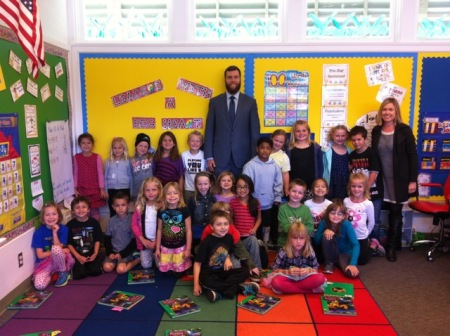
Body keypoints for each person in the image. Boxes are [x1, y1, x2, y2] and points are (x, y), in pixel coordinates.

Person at [371, 97, 418, 262]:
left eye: (390, 109)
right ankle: (389, 241)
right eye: (384, 109)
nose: (387, 112)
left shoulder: (404, 130)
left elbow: (413, 156)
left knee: (395, 211)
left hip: (399, 179)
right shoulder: (376, 130)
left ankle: (391, 246)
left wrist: (413, 180)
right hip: (382, 178)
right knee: (383, 209)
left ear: (396, 111)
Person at [204, 65, 260, 178]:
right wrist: (209, 156)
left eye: (235, 77)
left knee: (242, 192)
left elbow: (255, 132)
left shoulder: (250, 103)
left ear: (240, 79)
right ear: (225, 79)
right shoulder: (215, 102)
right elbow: (209, 130)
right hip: (219, 159)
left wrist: (254, 157)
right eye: (229, 77)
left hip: (244, 158)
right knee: (220, 192)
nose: (232, 80)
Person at [193, 210, 260, 303]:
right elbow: (197, 263)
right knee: (207, 281)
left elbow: (227, 251)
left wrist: (227, 258)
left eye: (225, 224)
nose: (223, 227)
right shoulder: (207, 242)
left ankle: (217, 291)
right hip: (209, 274)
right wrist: (196, 284)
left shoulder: (229, 237)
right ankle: (238, 288)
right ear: (212, 227)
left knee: (244, 271)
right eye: (219, 224)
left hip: (222, 272)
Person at [201, 201, 260, 281]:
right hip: (218, 254)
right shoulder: (208, 230)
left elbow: (239, 248)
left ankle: (255, 269)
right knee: (235, 266)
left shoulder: (231, 228)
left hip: (232, 249)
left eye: (226, 212)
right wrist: (225, 258)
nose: (223, 226)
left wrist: (251, 265)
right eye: (221, 213)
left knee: (253, 239)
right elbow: (204, 250)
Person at [264, 221, 327, 294]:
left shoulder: (310, 251)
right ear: (289, 239)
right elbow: (275, 270)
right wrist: (287, 272)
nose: (298, 242)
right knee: (276, 282)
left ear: (306, 239)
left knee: (320, 278)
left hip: (305, 278)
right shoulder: (283, 252)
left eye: (301, 238)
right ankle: (309, 290)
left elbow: (315, 269)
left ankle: (290, 289)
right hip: (288, 277)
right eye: (295, 238)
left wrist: (308, 270)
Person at [243, 137, 283, 245]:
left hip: (269, 203)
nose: (265, 151)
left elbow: (278, 183)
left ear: (271, 150)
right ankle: (257, 245)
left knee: (267, 225)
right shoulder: (250, 165)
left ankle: (266, 244)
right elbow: (245, 184)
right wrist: (249, 199)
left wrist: (277, 196)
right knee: (255, 226)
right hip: (254, 204)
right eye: (262, 148)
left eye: (268, 148)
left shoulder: (274, 166)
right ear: (257, 149)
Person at [349, 125, 383, 241]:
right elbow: (351, 173)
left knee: (375, 220)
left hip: (373, 193)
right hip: (358, 194)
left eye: (359, 139)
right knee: (359, 219)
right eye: (353, 140)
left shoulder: (371, 153)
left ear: (365, 139)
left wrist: (365, 190)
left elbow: (373, 173)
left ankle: (375, 242)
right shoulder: (352, 155)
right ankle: (363, 241)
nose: (356, 142)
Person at [31, 202, 75, 290]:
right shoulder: (39, 233)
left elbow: (58, 248)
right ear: (43, 217)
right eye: (47, 215)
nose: (51, 217)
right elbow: (40, 255)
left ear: (59, 216)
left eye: (54, 214)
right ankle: (53, 275)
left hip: (60, 261)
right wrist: (62, 250)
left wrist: (55, 233)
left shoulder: (63, 229)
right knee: (39, 285)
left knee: (56, 249)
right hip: (45, 263)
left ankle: (63, 272)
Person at [314, 200, 360, 279]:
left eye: (339, 214)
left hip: (344, 254)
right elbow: (316, 242)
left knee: (352, 274)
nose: (336, 216)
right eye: (332, 213)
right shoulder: (324, 223)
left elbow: (355, 244)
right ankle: (329, 263)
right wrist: (324, 232)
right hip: (329, 254)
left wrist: (353, 264)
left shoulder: (346, 225)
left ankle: (373, 247)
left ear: (343, 216)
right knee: (327, 235)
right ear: (327, 214)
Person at [155, 182, 192, 277]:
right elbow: (159, 230)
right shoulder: (162, 211)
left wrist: (188, 249)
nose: (172, 196)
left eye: (175, 193)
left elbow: (188, 231)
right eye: (169, 193)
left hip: (180, 247)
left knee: (177, 275)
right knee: (165, 273)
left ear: (180, 195)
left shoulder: (184, 210)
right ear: (164, 196)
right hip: (165, 247)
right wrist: (157, 249)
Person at [230, 174, 263, 270]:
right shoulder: (233, 202)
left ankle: (257, 270)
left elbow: (259, 218)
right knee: (236, 266)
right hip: (238, 239)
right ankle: (245, 265)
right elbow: (230, 219)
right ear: (235, 188)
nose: (242, 190)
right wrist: (234, 230)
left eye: (245, 187)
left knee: (253, 240)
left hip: (249, 236)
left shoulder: (255, 202)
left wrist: (255, 228)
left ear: (250, 187)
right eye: (239, 187)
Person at [103, 192, 140, 274]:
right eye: (117, 205)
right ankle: (116, 262)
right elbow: (107, 239)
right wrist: (110, 253)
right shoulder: (111, 220)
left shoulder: (132, 220)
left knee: (120, 270)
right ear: (113, 207)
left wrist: (122, 254)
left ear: (128, 205)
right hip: (113, 252)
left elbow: (134, 242)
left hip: (126, 252)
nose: (120, 208)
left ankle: (137, 260)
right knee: (106, 268)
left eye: (123, 205)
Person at [67, 196, 103, 280]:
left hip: (91, 254)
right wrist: (78, 256)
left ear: (89, 209)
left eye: (84, 207)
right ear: (73, 211)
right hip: (77, 254)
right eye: (77, 207)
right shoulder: (70, 225)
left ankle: (90, 266)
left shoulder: (94, 222)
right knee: (79, 275)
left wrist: (95, 253)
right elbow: (69, 244)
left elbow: (97, 240)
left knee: (96, 272)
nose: (81, 210)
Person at [73, 133, 107, 220]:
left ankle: (95, 228)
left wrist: (102, 189)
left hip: (95, 190)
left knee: (95, 213)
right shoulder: (76, 157)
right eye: (83, 143)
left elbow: (100, 174)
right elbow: (75, 173)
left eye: (88, 143)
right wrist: (75, 188)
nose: (86, 145)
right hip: (82, 190)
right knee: (83, 211)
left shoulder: (97, 157)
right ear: (79, 145)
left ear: (92, 144)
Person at [131, 177, 163, 269]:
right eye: (147, 190)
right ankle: (143, 254)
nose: (151, 193)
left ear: (159, 191)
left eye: (154, 190)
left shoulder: (162, 206)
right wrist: (143, 240)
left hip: (159, 242)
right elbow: (134, 225)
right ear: (143, 191)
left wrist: (156, 241)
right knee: (146, 266)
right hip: (145, 242)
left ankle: (155, 254)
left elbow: (165, 226)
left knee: (160, 266)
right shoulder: (140, 207)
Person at [343, 173, 375, 265]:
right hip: (348, 235)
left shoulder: (368, 204)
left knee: (361, 262)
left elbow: (372, 222)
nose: (356, 189)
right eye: (353, 186)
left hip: (361, 236)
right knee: (348, 258)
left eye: (359, 186)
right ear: (350, 186)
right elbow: (344, 218)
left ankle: (372, 246)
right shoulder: (346, 201)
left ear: (364, 187)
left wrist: (366, 234)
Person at [288, 120, 323, 195]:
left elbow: (320, 167)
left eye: (304, 130)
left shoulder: (315, 147)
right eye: (298, 131)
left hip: (311, 186)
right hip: (294, 187)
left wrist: (318, 183)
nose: (301, 133)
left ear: (308, 132)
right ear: (294, 132)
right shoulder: (289, 148)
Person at [278, 178, 314, 247]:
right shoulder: (282, 208)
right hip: (285, 242)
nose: (296, 194)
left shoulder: (306, 209)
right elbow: (285, 227)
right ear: (288, 191)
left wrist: (297, 233)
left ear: (303, 195)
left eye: (300, 193)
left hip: (302, 243)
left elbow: (310, 227)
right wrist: (301, 229)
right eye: (294, 191)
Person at [187, 172, 216, 251]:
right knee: (197, 251)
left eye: (205, 184)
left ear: (210, 184)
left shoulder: (213, 199)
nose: (203, 187)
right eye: (200, 184)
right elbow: (189, 217)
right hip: (196, 231)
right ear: (196, 185)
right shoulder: (192, 199)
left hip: (210, 230)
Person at [323, 125, 352, 200]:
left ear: (347, 136)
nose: (340, 138)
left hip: (346, 184)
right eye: (337, 136)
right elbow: (323, 169)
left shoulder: (351, 152)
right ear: (332, 136)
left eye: (343, 136)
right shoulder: (326, 151)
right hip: (331, 184)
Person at [105, 136, 132, 217]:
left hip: (125, 189)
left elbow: (131, 176)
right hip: (111, 190)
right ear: (112, 149)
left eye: (120, 148)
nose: (117, 150)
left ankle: (125, 228)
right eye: (115, 148)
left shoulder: (128, 161)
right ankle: (113, 228)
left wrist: (131, 191)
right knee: (113, 211)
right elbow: (105, 176)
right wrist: (105, 190)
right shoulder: (108, 161)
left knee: (124, 211)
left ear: (124, 148)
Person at [181, 130, 206, 202]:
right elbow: (182, 174)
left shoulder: (204, 155)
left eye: (198, 141)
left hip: (202, 188)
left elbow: (207, 172)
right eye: (192, 141)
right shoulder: (184, 155)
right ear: (188, 142)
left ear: (201, 143)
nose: (195, 143)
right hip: (189, 189)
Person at [130, 133, 153, 201]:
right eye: (140, 145)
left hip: (150, 192)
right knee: (138, 211)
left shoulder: (151, 159)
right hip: (136, 192)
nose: (143, 148)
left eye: (146, 146)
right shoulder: (131, 160)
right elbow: (130, 176)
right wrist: (131, 192)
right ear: (136, 146)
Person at [270, 129, 291, 197]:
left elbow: (285, 174)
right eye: (276, 140)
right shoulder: (264, 152)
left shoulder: (283, 157)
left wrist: (286, 189)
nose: (277, 143)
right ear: (271, 138)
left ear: (284, 143)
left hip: (276, 190)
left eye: (281, 142)